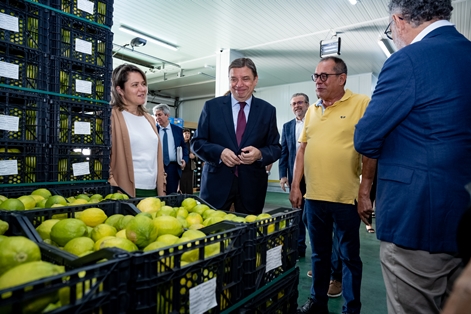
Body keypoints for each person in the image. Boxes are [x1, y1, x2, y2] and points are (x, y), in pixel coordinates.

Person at [354, 1, 471, 313]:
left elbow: (366, 136)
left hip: (418, 220)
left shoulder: (408, 60)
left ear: (398, 20)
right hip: (462, 214)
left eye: (390, 30)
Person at [290, 56, 376, 314]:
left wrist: (365, 192)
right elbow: (303, 149)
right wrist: (296, 186)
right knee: (319, 254)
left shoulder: (361, 103)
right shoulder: (312, 110)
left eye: (324, 76)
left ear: (342, 78)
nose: (318, 81)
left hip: (345, 199)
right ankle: (318, 303)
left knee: (349, 258)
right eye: (316, 76)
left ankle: (351, 308)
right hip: (314, 197)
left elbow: (369, 150)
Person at [191, 57, 281, 214]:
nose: (239, 85)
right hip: (216, 186)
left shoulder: (267, 111)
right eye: (234, 79)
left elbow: (275, 147)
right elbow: (197, 143)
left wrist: (260, 154)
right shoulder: (212, 107)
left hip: (252, 188)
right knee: (211, 234)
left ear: (255, 80)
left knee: (248, 236)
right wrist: (220, 152)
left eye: (245, 79)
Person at [109, 64, 165, 198]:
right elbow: (101, 159)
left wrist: (162, 185)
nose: (142, 89)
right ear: (120, 90)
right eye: (135, 85)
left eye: (143, 84)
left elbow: (155, 157)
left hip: (153, 191)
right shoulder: (111, 117)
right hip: (125, 192)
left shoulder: (150, 119)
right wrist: (113, 186)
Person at [153, 104, 189, 194]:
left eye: (159, 114)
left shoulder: (177, 130)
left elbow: (184, 148)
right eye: (156, 115)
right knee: (157, 193)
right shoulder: (153, 130)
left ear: (167, 115)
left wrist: (184, 159)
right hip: (157, 167)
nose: (157, 117)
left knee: (171, 194)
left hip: (173, 167)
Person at [180, 128, 196, 194]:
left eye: (188, 133)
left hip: (190, 168)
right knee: (182, 185)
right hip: (182, 168)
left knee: (189, 186)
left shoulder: (192, 144)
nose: (187, 135)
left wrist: (194, 156)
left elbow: (197, 154)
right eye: (185, 133)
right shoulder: (180, 143)